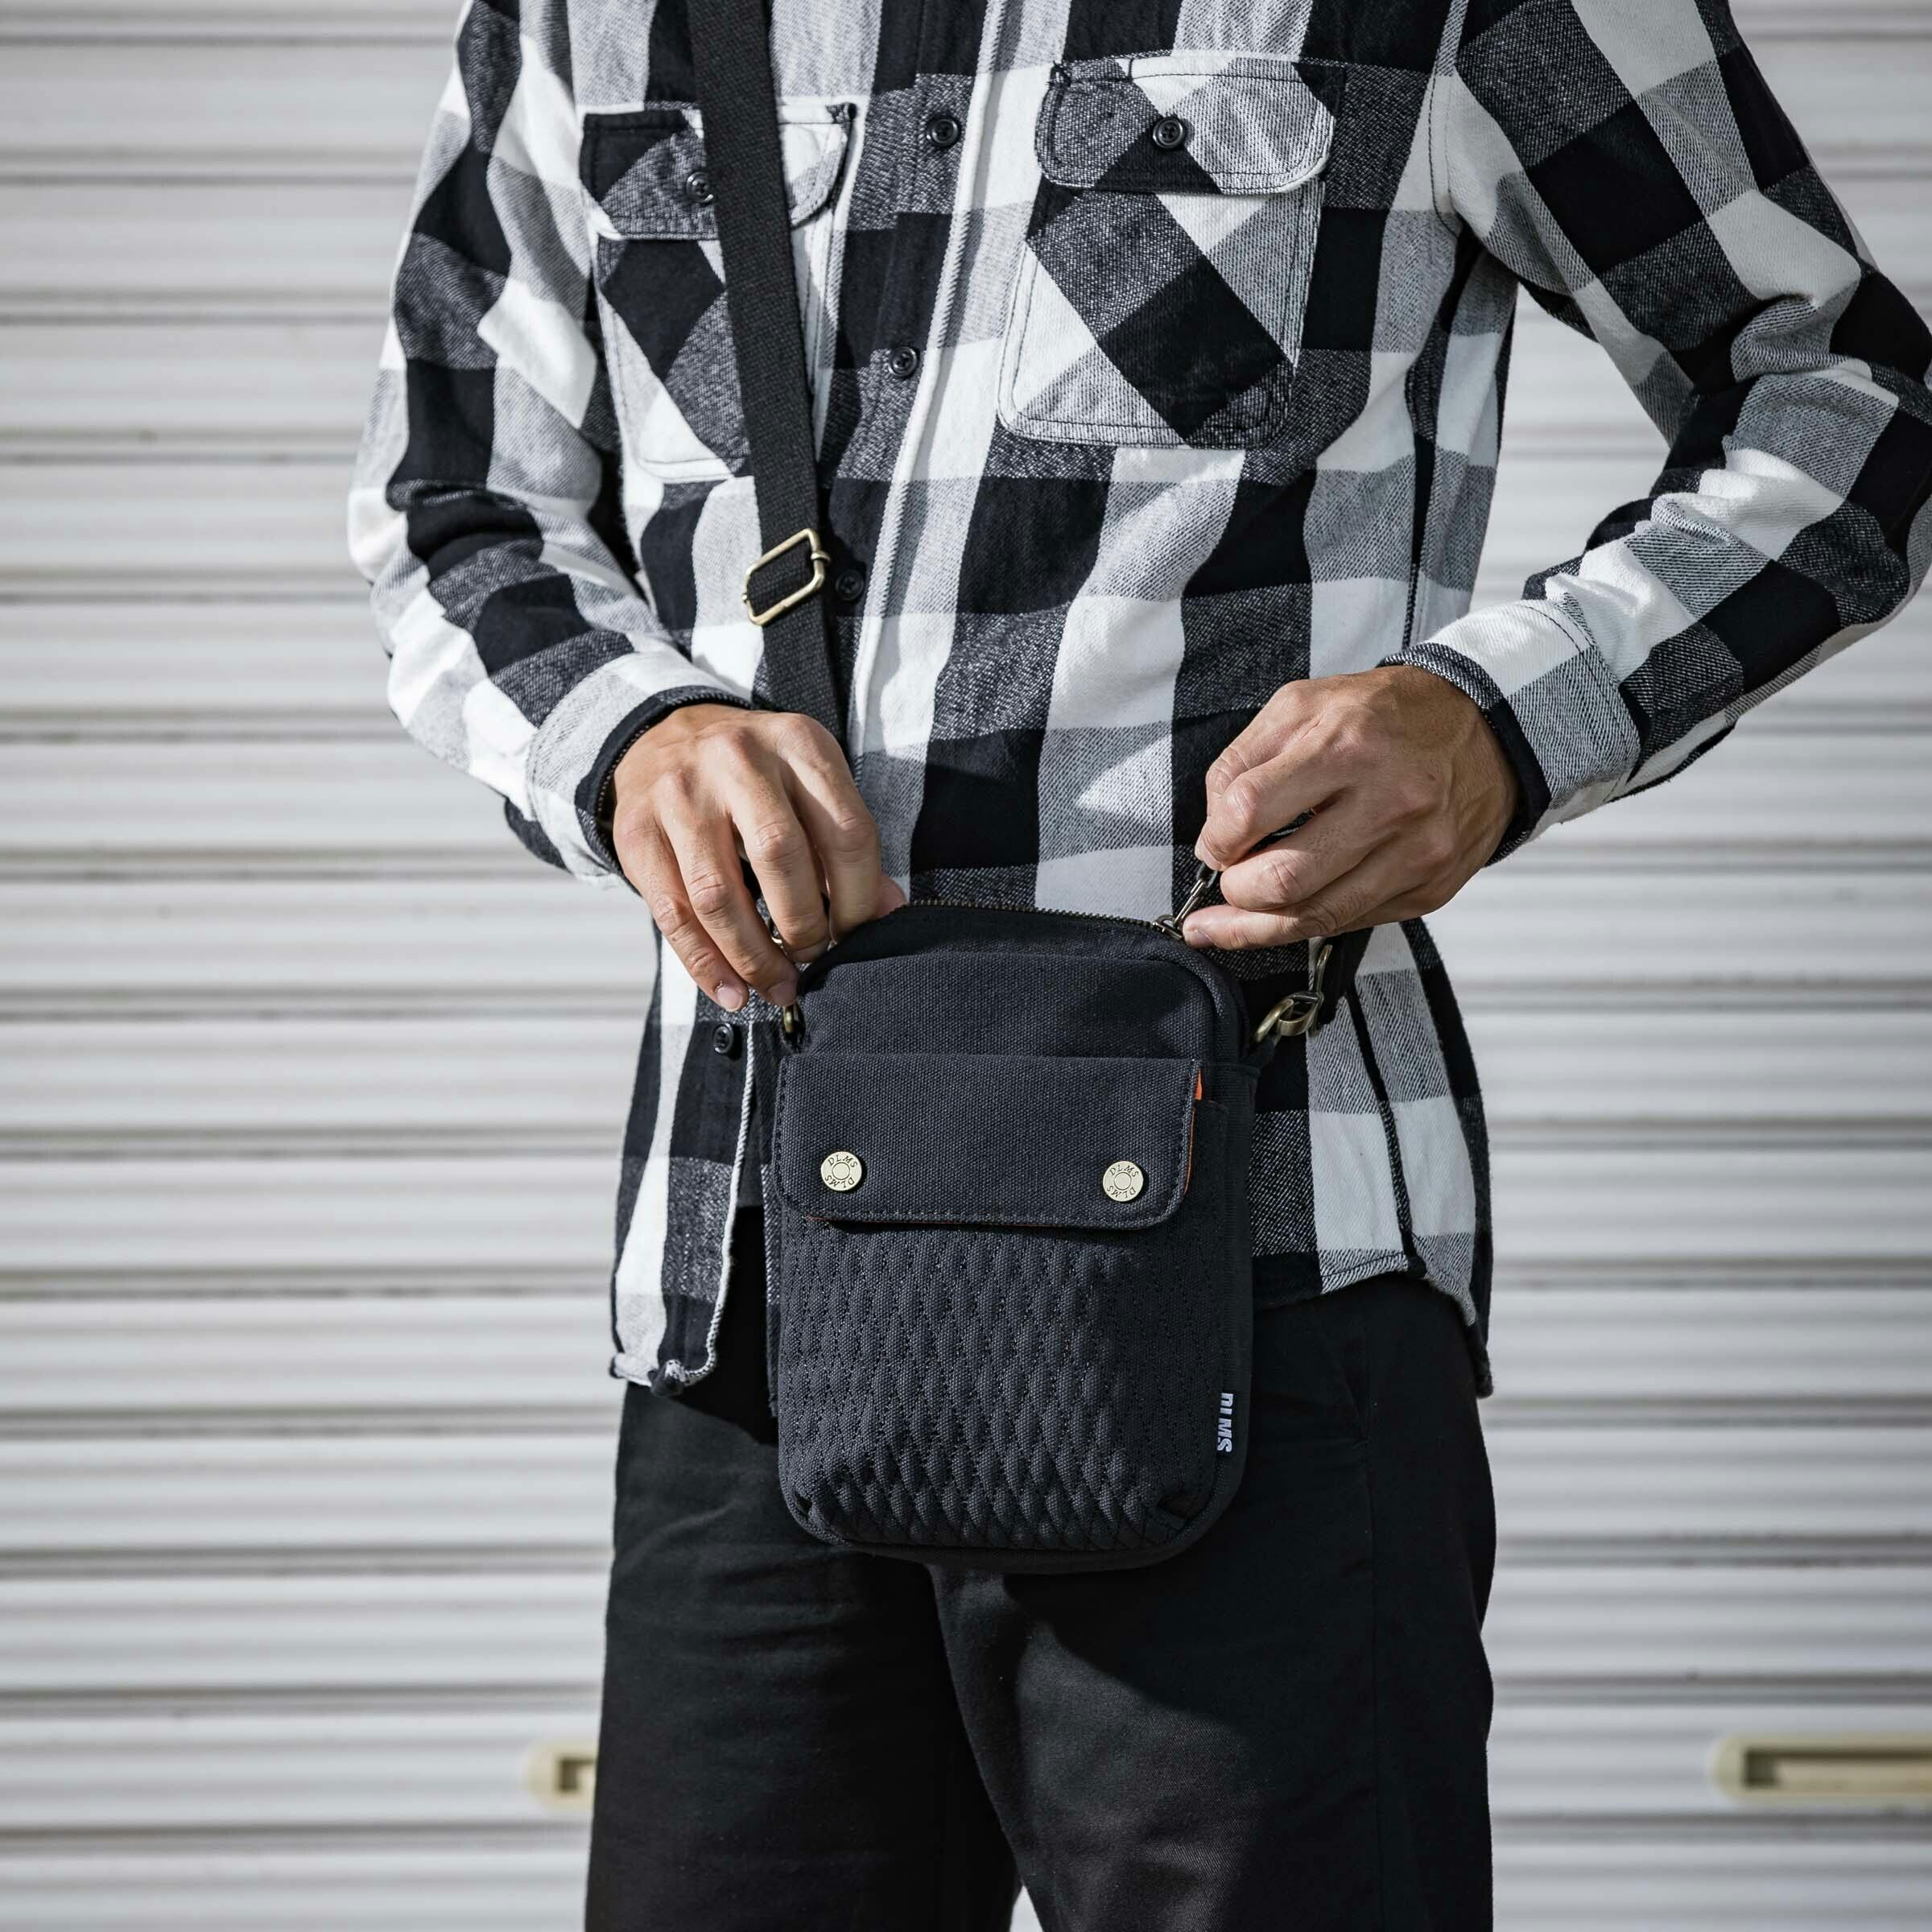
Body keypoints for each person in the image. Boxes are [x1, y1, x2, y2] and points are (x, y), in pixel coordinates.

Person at [351, 2, 1931, 1925]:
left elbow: (1846, 394)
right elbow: (460, 499)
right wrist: (628, 736)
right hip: (746, 1288)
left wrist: (1504, 718)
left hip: (1267, 1260)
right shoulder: (594, 16)